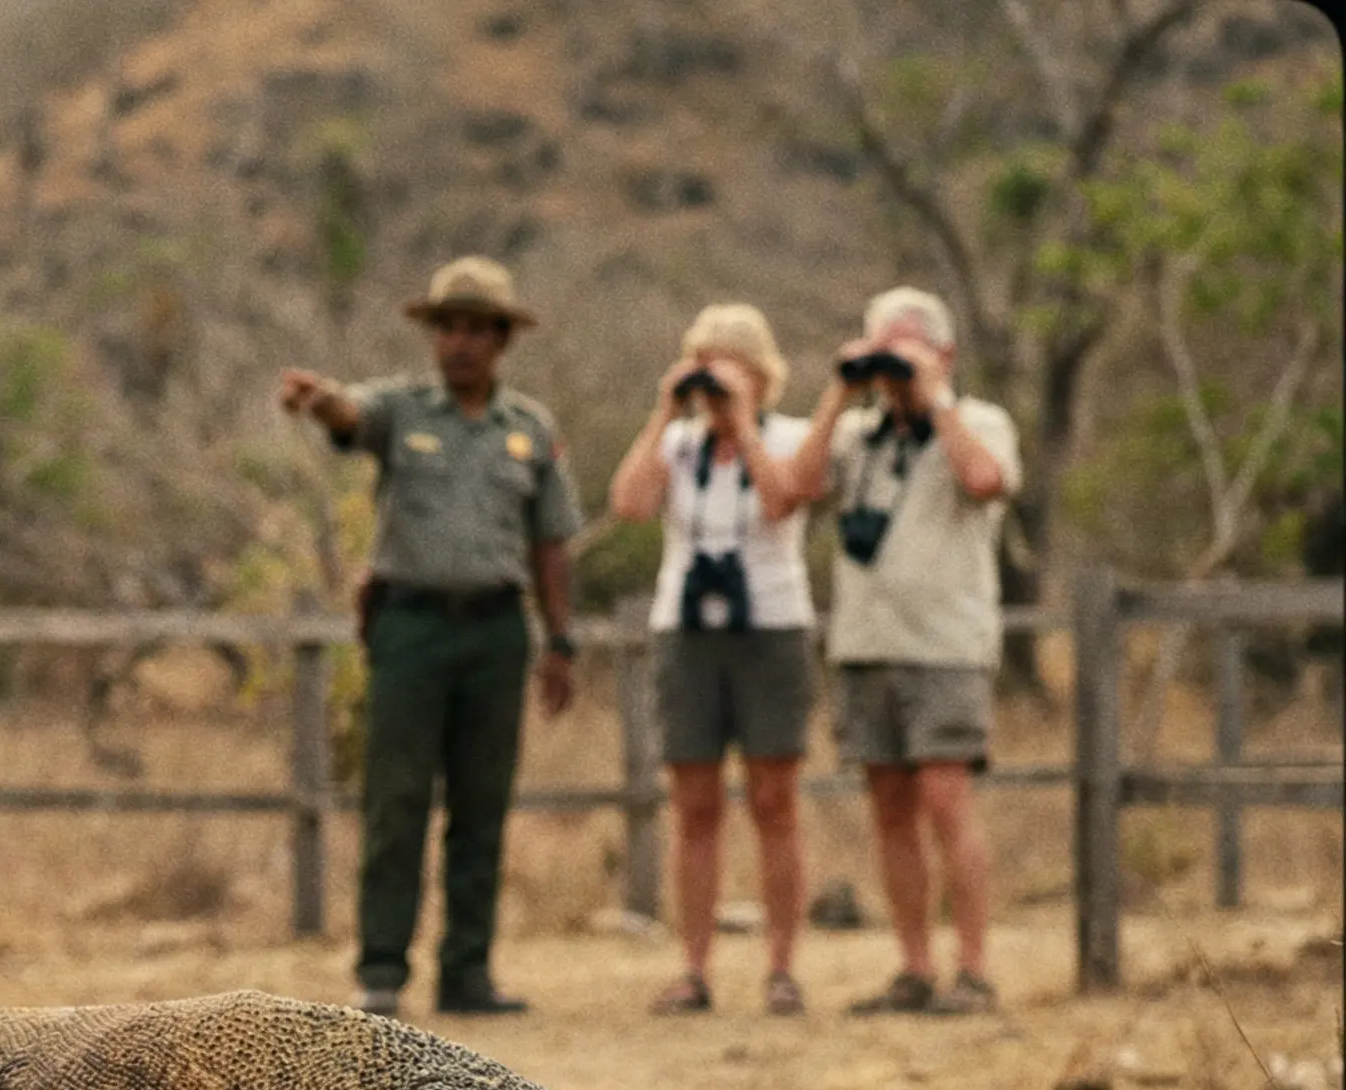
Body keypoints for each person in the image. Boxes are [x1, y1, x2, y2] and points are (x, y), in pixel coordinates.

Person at [277, 256, 582, 1017]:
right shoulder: (403, 411)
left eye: (476, 329)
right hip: (411, 626)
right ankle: (382, 969)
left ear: (501, 340)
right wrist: (319, 403)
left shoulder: (530, 430)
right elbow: (351, 416)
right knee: (397, 798)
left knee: (482, 805)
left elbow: (551, 544)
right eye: (448, 327)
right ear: (432, 335)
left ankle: (468, 971)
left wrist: (562, 640)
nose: (460, 343)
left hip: (495, 629)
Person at [783, 287, 1021, 1015]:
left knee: (947, 800)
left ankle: (973, 970)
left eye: (905, 350)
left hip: (947, 645)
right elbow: (794, 489)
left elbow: (986, 482)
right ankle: (914, 968)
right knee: (889, 809)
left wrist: (935, 395)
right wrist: (836, 392)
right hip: (865, 644)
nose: (891, 369)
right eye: (881, 350)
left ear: (944, 354)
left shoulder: (979, 421)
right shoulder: (858, 435)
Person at [607, 304, 816, 1017]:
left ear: (762, 375)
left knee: (774, 800)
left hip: (772, 629)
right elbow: (629, 504)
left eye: (731, 366)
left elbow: (785, 498)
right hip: (687, 633)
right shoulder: (678, 446)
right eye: (705, 364)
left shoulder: (789, 436)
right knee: (694, 806)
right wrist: (663, 414)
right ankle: (693, 968)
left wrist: (743, 426)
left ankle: (782, 968)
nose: (716, 383)